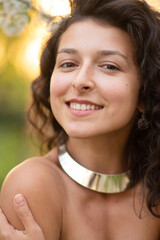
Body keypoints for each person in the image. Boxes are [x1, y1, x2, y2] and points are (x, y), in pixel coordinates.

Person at [0, 0, 160, 239]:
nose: (80, 81)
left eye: (108, 66)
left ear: (145, 93)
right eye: (68, 64)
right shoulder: (33, 186)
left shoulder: (154, 189)